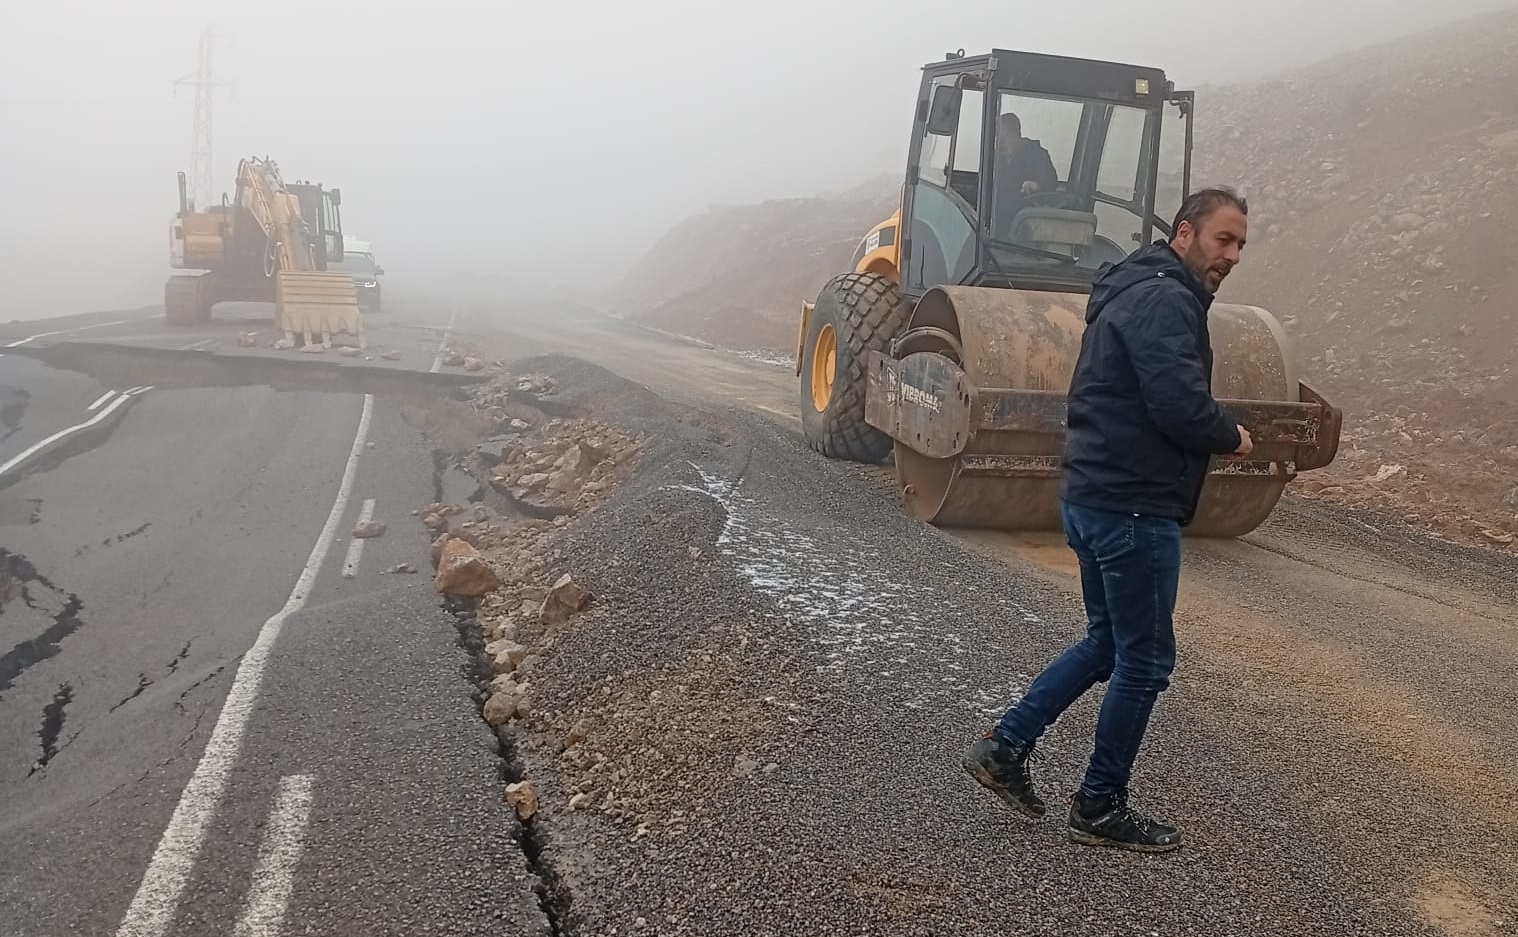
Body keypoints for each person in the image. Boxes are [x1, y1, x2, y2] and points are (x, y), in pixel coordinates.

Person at [962, 187, 1256, 853]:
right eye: (1224, 239)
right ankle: (1099, 803)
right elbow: (1178, 403)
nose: (1234, 255)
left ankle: (1005, 747)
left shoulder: (1133, 286)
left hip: (1094, 494)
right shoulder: (1165, 299)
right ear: (1185, 233)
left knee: (1107, 644)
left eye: (1241, 245)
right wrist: (1229, 435)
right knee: (1145, 662)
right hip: (1132, 504)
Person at [991, 112, 1059, 238]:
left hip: (1024, 225)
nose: (993, 134)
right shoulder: (996, 158)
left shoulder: (1034, 153)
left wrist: (1035, 185)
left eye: (997, 129)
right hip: (996, 221)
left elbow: (1051, 181)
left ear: (1007, 131)